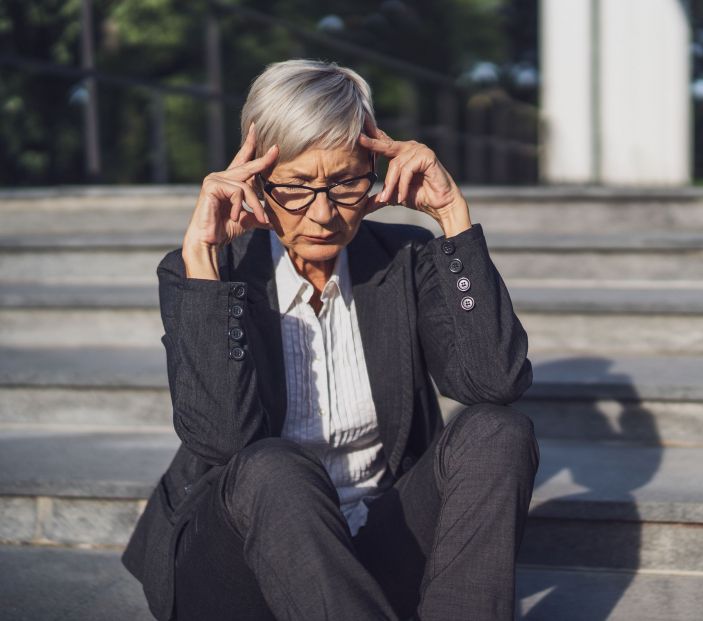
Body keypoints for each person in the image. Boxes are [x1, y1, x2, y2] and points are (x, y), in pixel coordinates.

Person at [120, 58, 539, 621]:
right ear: (254, 179)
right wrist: (204, 260)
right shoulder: (208, 272)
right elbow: (222, 441)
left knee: (499, 430)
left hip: (379, 537)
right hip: (242, 554)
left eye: (344, 183)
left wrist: (452, 219)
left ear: (373, 168)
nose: (322, 214)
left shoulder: (402, 260)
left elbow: (494, 381)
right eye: (295, 187)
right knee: (273, 466)